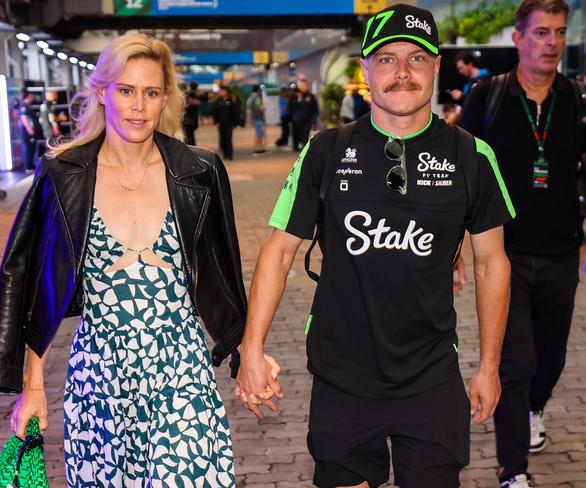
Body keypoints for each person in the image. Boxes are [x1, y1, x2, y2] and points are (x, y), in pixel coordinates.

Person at [236, 4, 515, 487]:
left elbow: (493, 265)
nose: (402, 72)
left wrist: (490, 366)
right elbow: (278, 251)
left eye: (416, 58)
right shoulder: (324, 151)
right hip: (342, 373)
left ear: (436, 67)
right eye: (385, 59)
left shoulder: (473, 156)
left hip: (431, 375)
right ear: (365, 69)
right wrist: (251, 348)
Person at [0, 33, 272, 487]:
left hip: (181, 368)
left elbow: (224, 273)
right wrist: (31, 388)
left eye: (151, 92)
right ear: (101, 92)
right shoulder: (64, 174)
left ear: (166, 100)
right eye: (125, 90)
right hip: (99, 375)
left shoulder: (199, 171)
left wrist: (245, 354)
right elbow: (29, 279)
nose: (138, 105)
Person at [459, 1, 585, 486]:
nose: (551, 43)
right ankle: (514, 471)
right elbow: (461, 173)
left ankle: (535, 408)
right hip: (502, 257)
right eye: (540, 33)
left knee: (550, 357)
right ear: (518, 39)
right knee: (513, 361)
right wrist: (454, 242)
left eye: (558, 33)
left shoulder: (575, 99)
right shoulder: (487, 97)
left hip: (559, 253)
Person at [289, 78, 319, 151]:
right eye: (300, 85)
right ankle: (297, 147)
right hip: (296, 121)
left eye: (303, 85)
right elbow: (290, 108)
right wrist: (292, 117)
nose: (302, 87)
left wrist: (314, 120)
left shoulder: (311, 97)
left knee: (305, 136)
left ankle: (305, 151)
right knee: (297, 135)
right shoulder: (294, 96)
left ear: (307, 86)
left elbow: (315, 109)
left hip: (307, 121)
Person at [18, 88, 43, 171]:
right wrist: (30, 130)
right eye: (31, 96)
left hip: (30, 132)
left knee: (31, 148)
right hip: (28, 133)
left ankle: (30, 166)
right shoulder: (24, 107)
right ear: (28, 96)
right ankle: (28, 167)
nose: (33, 98)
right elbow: (24, 119)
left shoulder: (27, 106)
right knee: (29, 149)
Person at [213, 85, 237, 160]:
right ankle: (225, 154)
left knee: (228, 139)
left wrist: (234, 123)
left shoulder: (231, 101)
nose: (221, 92)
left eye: (222, 91)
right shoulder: (218, 101)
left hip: (229, 123)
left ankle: (229, 155)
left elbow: (235, 112)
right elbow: (215, 112)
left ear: (226, 92)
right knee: (222, 139)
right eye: (220, 91)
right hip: (221, 124)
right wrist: (216, 122)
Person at [247, 84, 267, 154]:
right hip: (258, 117)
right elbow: (260, 107)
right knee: (260, 133)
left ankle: (258, 148)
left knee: (258, 133)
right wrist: (264, 108)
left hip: (254, 117)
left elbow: (249, 108)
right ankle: (257, 148)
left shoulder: (250, 97)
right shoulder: (257, 97)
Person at [182, 80, 201, 145]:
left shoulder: (189, 96)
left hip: (188, 120)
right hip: (190, 120)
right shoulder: (194, 95)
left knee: (188, 137)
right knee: (189, 137)